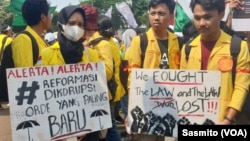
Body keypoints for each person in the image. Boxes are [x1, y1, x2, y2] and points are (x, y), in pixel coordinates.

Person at [180, 0, 250, 125]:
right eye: (197, 18)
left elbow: (241, 86)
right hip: (192, 120)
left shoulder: (238, 47)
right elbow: (182, 87)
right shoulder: (187, 48)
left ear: (221, 14)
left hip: (223, 121)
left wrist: (228, 119)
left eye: (207, 17)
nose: (201, 23)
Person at [40, 5, 100, 141]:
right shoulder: (45, 55)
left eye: (80, 24)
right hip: (56, 128)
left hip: (88, 129)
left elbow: (97, 95)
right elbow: (41, 96)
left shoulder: (92, 55)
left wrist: (87, 126)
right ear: (61, 24)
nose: (76, 28)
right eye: (72, 23)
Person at [126, 0, 181, 141]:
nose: (156, 17)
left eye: (161, 13)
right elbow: (133, 77)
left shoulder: (179, 42)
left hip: (171, 108)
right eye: (153, 13)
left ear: (171, 16)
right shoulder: (140, 41)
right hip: (146, 107)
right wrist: (131, 110)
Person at [81, 4, 121, 141]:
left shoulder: (100, 43)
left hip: (104, 94)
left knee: (109, 127)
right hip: (91, 94)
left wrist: (88, 54)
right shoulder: (87, 42)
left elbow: (108, 72)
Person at [11, 0, 51, 68]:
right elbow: (24, 75)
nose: (51, 18)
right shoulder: (24, 39)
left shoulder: (39, 39)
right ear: (43, 17)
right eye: (50, 14)